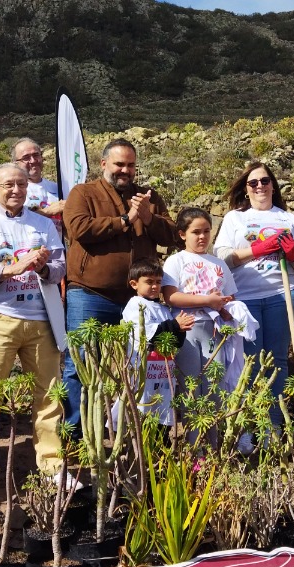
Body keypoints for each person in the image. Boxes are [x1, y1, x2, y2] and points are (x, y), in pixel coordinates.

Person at [0, 163, 66, 502]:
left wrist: (45, 266)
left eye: (21, 184)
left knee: (48, 395)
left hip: (41, 319)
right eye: (8, 185)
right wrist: (12, 268)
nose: (16, 190)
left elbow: (60, 267)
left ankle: (51, 466)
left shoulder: (44, 224)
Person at [62, 139, 179, 432]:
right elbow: (79, 228)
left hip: (136, 301)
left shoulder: (147, 196)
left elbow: (172, 235)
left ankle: (139, 436)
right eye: (119, 164)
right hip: (90, 294)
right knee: (81, 367)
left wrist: (149, 217)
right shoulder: (83, 193)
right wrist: (125, 220)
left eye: (130, 165)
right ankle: (77, 439)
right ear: (103, 164)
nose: (125, 170)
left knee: (144, 365)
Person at [213, 162, 294, 429]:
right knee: (251, 362)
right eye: (253, 183)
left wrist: (292, 255)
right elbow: (222, 258)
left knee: (277, 359)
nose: (260, 187)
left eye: (265, 181)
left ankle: (275, 424)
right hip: (246, 298)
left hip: (284, 294)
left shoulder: (288, 219)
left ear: (273, 185)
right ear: (246, 189)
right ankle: (253, 423)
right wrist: (257, 250)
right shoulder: (235, 218)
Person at [162, 207, 258, 451]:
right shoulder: (176, 261)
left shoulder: (218, 263)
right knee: (192, 390)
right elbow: (171, 296)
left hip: (215, 331)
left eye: (206, 231)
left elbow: (229, 295)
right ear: (182, 234)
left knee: (214, 390)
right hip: (188, 330)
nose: (202, 237)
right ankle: (195, 450)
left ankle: (215, 448)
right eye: (196, 232)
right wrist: (207, 301)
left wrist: (225, 307)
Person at [119, 257, 194, 427]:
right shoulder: (135, 304)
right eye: (149, 281)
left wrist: (180, 330)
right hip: (144, 369)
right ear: (134, 284)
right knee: (143, 411)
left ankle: (162, 449)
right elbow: (145, 333)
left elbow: (174, 341)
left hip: (163, 371)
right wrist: (175, 324)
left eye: (158, 282)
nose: (155, 286)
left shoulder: (163, 309)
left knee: (162, 411)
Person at [12, 137, 64, 236]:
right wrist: (47, 212)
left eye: (36, 155)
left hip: (59, 249)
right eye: (26, 158)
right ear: (16, 163)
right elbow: (15, 219)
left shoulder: (56, 188)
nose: (33, 161)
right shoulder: (13, 191)